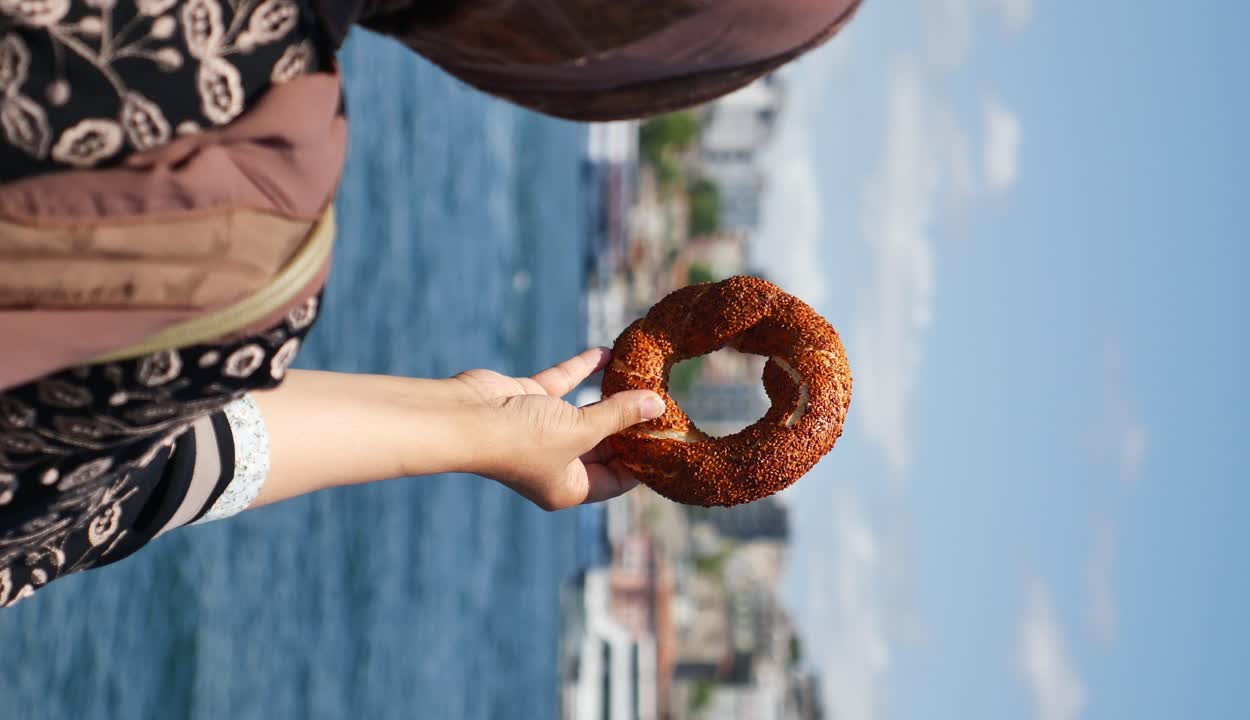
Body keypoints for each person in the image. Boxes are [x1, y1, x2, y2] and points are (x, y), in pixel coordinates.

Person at [0, 0, 862, 606]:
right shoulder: (247, 180)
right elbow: (63, 503)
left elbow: (97, 452)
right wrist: (455, 427)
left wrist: (461, 420)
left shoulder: (254, 139)